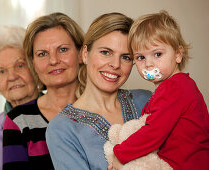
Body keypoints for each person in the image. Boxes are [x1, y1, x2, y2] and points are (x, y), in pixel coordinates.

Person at [46, 12, 152, 170]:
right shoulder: (62, 129)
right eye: (105, 52)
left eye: (126, 57)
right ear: (85, 54)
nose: (115, 64)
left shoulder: (147, 100)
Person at [111, 11, 209, 170]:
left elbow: (153, 132)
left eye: (157, 54)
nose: (148, 64)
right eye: (141, 57)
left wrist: (120, 154)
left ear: (178, 54)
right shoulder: (180, 85)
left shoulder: (175, 87)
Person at [3, 12, 84, 170]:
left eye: (62, 49)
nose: (53, 60)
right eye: (42, 54)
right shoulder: (18, 120)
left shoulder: (105, 108)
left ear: (82, 54)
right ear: (33, 63)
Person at [0, 26, 39, 170]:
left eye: (20, 65)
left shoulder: (59, 118)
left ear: (35, 68)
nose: (12, 77)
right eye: (2, 71)